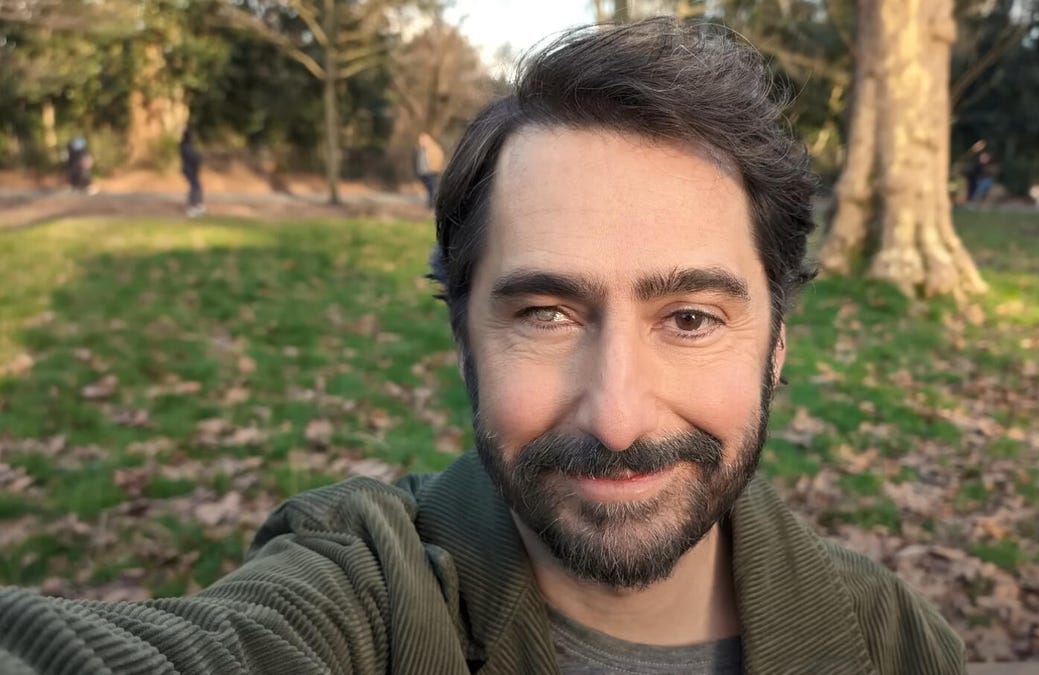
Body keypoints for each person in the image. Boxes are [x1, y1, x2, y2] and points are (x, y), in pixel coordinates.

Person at [0, 19, 966, 674]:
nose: (618, 415)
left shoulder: (891, 639)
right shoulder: (369, 595)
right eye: (546, 313)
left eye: (691, 318)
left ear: (778, 343)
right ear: (465, 340)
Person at [415, 131, 445, 208]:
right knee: (429, 189)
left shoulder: (434, 148)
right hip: (423, 172)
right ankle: (431, 205)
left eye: (423, 140)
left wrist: (434, 168)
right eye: (420, 140)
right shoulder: (420, 150)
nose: (421, 142)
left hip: (431, 172)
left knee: (432, 189)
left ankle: (432, 206)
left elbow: (439, 159)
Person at [180, 125, 205, 217]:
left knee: (197, 186)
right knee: (194, 187)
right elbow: (192, 157)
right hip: (189, 169)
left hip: (192, 169)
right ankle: (192, 207)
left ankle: (198, 204)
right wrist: (199, 156)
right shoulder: (185, 145)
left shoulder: (188, 145)